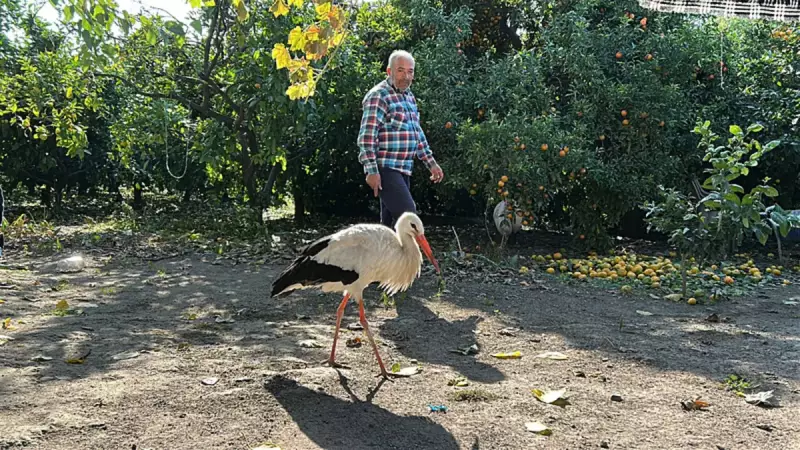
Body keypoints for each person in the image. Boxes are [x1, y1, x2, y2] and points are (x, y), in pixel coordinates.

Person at [357, 50, 444, 228]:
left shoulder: (409, 97)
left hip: (405, 169)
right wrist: (371, 170)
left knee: (389, 227)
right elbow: (367, 136)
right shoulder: (378, 96)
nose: (406, 76)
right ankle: (418, 256)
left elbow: (416, 133)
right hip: (386, 169)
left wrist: (431, 163)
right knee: (409, 219)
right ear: (389, 71)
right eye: (401, 70)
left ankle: (384, 257)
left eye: (410, 71)